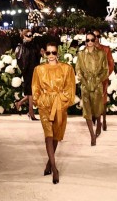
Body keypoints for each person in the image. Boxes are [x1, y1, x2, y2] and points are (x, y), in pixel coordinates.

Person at [31, 39, 76, 184]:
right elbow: (35, 88)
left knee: (56, 135)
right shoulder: (39, 69)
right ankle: (55, 168)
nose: (51, 55)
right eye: (48, 52)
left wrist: (63, 101)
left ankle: (49, 163)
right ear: (44, 53)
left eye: (54, 52)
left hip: (59, 104)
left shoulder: (67, 69)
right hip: (45, 104)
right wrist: (39, 100)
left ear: (58, 53)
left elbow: (70, 88)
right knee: (48, 135)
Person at [74, 31, 109, 145]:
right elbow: (78, 69)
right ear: (85, 41)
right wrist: (83, 81)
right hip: (85, 85)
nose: (89, 42)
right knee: (87, 111)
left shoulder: (101, 53)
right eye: (87, 40)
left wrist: (98, 80)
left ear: (95, 41)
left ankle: (98, 124)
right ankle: (92, 135)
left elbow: (105, 70)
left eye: (92, 40)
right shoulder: (81, 54)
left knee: (97, 108)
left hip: (97, 85)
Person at [14, 28, 41, 119]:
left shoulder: (34, 46)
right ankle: (31, 112)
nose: (30, 37)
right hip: (28, 71)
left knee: (32, 91)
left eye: (31, 35)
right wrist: (24, 70)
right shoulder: (21, 47)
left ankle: (19, 103)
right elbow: (20, 60)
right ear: (23, 37)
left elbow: (38, 58)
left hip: (35, 70)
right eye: (28, 36)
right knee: (30, 91)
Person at [93, 28, 114, 131]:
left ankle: (103, 120)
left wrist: (104, 75)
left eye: (98, 36)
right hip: (91, 80)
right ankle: (96, 117)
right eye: (94, 36)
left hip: (103, 79)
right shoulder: (86, 50)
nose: (96, 39)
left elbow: (111, 64)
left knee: (102, 99)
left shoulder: (106, 49)